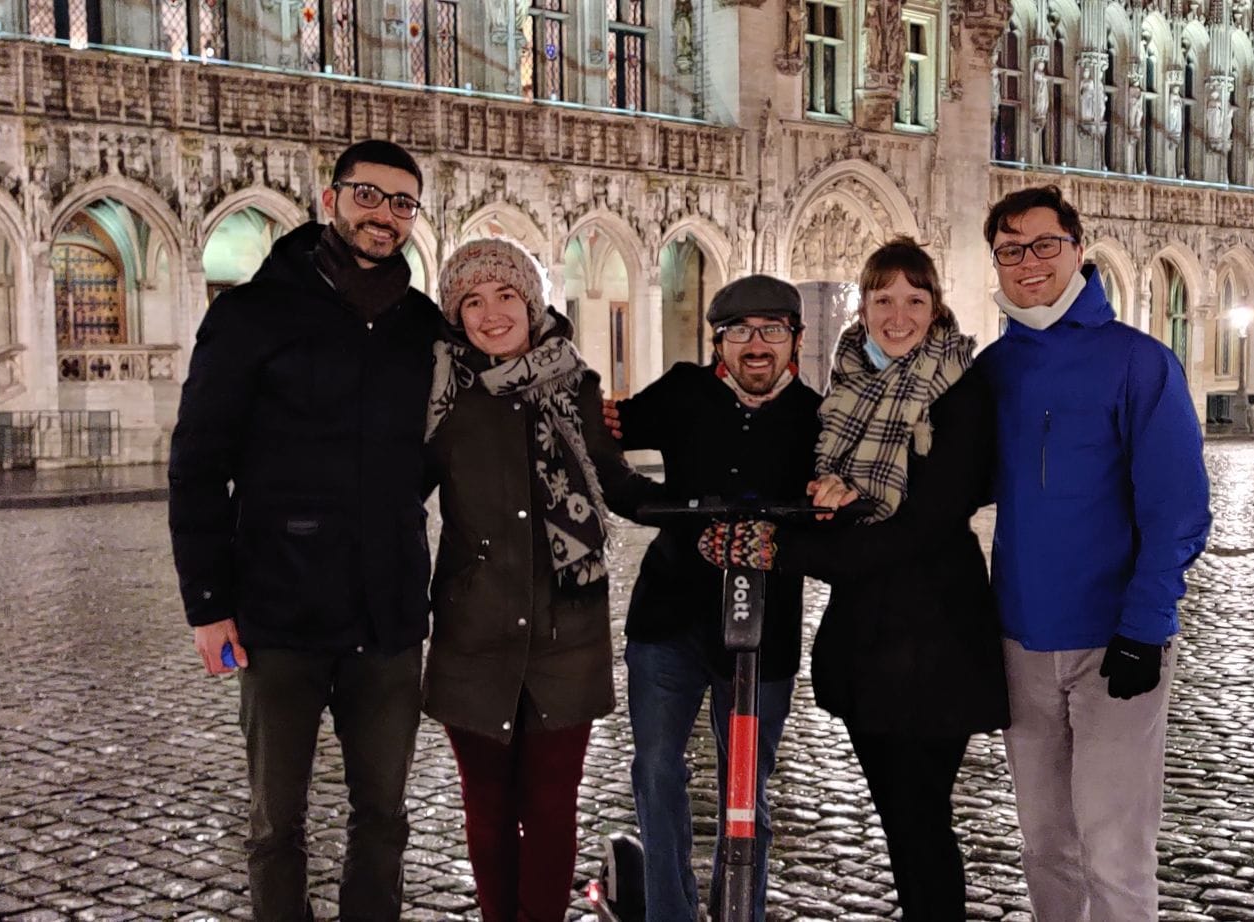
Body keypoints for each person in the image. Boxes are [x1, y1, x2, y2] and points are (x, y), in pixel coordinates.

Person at [168, 139, 440, 922]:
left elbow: (446, 443)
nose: (384, 215)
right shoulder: (251, 314)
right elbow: (198, 464)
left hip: (388, 612)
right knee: (275, 823)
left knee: (383, 815)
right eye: (368, 195)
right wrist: (208, 604)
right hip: (277, 610)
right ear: (331, 200)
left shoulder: (423, 326)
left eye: (402, 203)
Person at [708, 238, 1009, 922]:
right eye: (883, 299)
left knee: (922, 820)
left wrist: (780, 550)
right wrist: (830, 497)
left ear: (936, 308)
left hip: (937, 646)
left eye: (914, 300)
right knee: (902, 824)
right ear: (864, 307)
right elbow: (836, 500)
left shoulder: (960, 391)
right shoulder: (849, 387)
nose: (898, 316)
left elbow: (922, 526)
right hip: (867, 647)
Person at [975, 186, 1212, 922]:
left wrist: (1145, 625)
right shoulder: (993, 369)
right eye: (1010, 251)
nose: (1029, 263)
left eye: (1044, 245)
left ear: (1077, 250)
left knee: (1114, 848)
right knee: (1045, 843)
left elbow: (1178, 508)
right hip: (1022, 641)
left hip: (1115, 640)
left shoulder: (1139, 362)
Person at [423, 237, 663, 922]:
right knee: (488, 811)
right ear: (456, 315)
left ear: (531, 302)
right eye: (472, 301)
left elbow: (614, 480)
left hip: (567, 631)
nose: (491, 313)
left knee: (553, 810)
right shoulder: (440, 395)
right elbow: (394, 494)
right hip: (475, 632)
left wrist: (693, 511)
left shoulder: (576, 386)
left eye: (506, 295)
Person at [607, 275, 822, 922]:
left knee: (747, 789)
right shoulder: (683, 390)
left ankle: (740, 913)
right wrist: (654, 507)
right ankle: (669, 912)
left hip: (764, 631)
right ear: (718, 344)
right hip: (668, 618)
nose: (756, 344)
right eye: (739, 332)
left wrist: (789, 536)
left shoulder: (818, 417)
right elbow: (605, 433)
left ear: (795, 340)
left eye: (772, 330)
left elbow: (839, 509)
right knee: (656, 771)